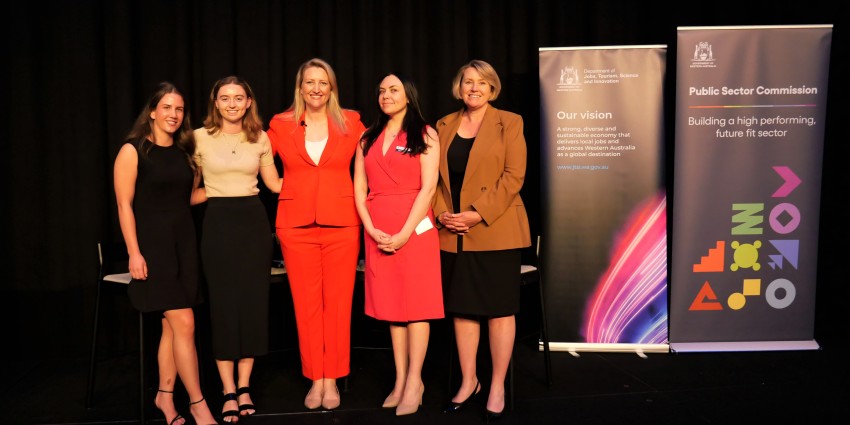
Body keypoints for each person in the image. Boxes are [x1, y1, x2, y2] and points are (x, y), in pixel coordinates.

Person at [113, 82, 219, 425]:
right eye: (167, 108)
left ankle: (164, 396)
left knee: (173, 328)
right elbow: (124, 205)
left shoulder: (185, 152)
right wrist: (134, 253)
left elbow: (186, 199)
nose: (174, 115)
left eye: (179, 109)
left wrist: (230, 187)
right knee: (184, 323)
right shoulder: (134, 150)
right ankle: (198, 403)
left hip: (184, 245)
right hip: (153, 247)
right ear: (153, 111)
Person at [434, 60, 531, 422]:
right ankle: (469, 380)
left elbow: (514, 176)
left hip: (496, 229)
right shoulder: (443, 125)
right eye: (467, 82)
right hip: (452, 233)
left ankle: (496, 386)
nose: (473, 88)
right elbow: (432, 179)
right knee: (462, 309)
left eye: (481, 83)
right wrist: (443, 213)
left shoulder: (511, 122)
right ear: (458, 87)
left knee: (498, 311)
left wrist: (476, 212)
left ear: (492, 88)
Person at [267, 58, 366, 411]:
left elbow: (374, 163)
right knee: (306, 306)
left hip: (342, 224)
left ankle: (334, 378)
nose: (316, 88)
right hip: (295, 226)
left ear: (332, 88)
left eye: (323, 82)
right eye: (310, 82)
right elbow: (256, 157)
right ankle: (315, 377)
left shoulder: (352, 122)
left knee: (338, 305)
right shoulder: (280, 124)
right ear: (300, 87)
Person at [353, 73, 443, 416]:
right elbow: (359, 188)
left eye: (393, 90)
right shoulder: (367, 136)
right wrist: (370, 227)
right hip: (378, 227)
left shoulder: (426, 133)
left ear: (408, 96)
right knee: (392, 308)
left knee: (416, 306)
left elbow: (429, 188)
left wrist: (405, 232)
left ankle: (416, 381)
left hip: (414, 229)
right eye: (381, 91)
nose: (386, 95)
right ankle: (401, 379)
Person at [194, 76, 282, 423]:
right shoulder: (198, 138)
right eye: (225, 98)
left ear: (249, 102)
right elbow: (189, 193)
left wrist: (323, 181)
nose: (231, 103)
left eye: (238, 98)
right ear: (215, 102)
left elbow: (274, 184)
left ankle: (244, 387)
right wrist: (220, 193)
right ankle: (227, 390)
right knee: (223, 307)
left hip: (253, 225)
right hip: (217, 225)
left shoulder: (260, 137)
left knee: (252, 306)